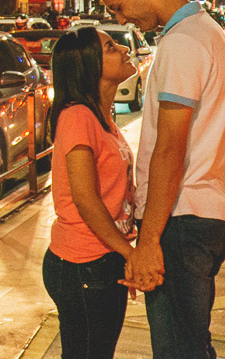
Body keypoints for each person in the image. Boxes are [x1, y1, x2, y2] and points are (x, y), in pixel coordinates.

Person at [95, 0, 225, 359]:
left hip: (180, 220)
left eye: (118, 7)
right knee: (189, 344)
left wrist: (149, 239)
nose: (120, 20)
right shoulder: (204, 31)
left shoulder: (182, 43)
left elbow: (170, 150)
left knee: (179, 349)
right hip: (201, 212)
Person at [42, 27, 138, 359]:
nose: (125, 49)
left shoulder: (100, 118)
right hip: (83, 264)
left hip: (101, 259)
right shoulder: (77, 117)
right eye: (111, 47)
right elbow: (85, 198)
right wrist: (129, 254)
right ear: (89, 66)